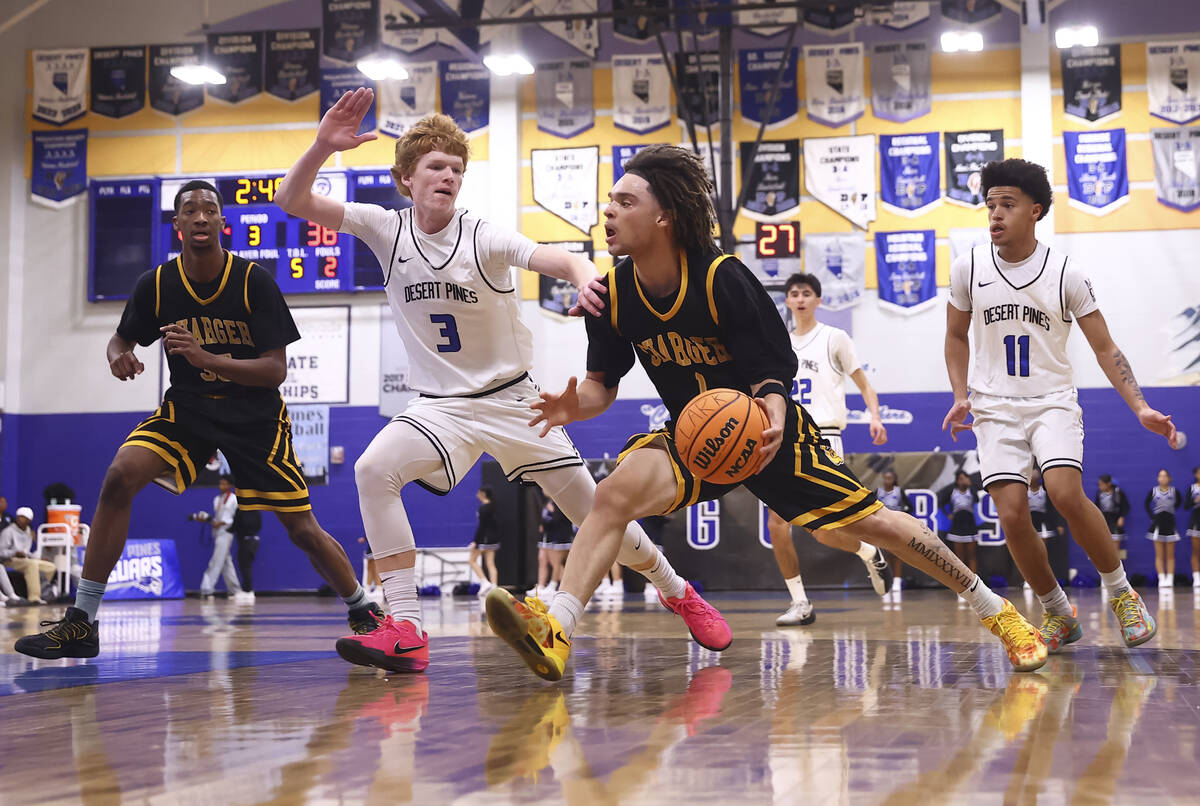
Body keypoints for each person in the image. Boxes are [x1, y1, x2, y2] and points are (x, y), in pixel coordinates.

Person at [487, 144, 1047, 681]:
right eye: (609, 200)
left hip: (765, 431)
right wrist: (573, 406)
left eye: (626, 201)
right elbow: (600, 387)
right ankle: (556, 629)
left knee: (878, 525)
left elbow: (773, 370)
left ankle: (997, 610)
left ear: (665, 217)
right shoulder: (612, 296)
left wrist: (775, 415)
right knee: (610, 496)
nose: (608, 210)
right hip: (696, 436)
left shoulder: (720, 275)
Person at [275, 91, 727, 674]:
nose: (449, 176)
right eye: (436, 166)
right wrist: (321, 147)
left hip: (516, 401)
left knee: (596, 513)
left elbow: (556, 258)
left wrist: (587, 275)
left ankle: (676, 590)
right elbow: (292, 199)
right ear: (405, 178)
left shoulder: (481, 235)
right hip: (440, 405)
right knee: (370, 469)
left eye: (457, 168)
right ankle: (407, 628)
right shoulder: (383, 229)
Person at [15, 180, 381, 660]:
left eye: (210, 209)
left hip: (255, 416)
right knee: (120, 477)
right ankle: (82, 622)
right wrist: (118, 356)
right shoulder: (157, 285)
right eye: (191, 210)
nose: (202, 217)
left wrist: (209, 358)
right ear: (178, 224)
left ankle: (363, 610)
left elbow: (275, 369)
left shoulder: (253, 282)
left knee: (300, 527)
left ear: (222, 222)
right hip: (188, 408)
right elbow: (121, 339)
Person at [942, 158, 1171, 654]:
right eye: (990, 205)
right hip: (994, 405)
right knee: (1010, 513)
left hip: (1051, 401)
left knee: (1065, 492)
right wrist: (961, 395)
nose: (995, 214)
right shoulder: (968, 267)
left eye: (1008, 204)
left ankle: (1122, 595)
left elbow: (1105, 348)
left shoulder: (1065, 272)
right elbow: (955, 336)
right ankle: (1057, 611)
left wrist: (1141, 407)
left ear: (1035, 211)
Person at [766, 272, 892, 628]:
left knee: (821, 528)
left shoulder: (835, 338)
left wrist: (875, 416)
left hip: (824, 436)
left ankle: (869, 551)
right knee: (777, 524)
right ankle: (800, 602)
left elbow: (864, 384)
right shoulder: (780, 344)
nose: (801, 298)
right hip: (787, 438)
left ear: (818, 300)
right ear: (787, 301)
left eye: (807, 293)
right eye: (794, 293)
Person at [200, 475, 243, 599]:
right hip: (217, 531)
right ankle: (234, 589)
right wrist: (207, 520)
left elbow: (234, 518)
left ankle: (206, 589)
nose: (221, 486)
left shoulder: (234, 499)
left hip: (227, 532)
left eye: (224, 484)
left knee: (216, 561)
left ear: (230, 485)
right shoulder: (217, 499)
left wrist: (222, 522)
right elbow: (217, 517)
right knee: (225, 562)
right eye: (220, 484)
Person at [0, 507, 55, 604]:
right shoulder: (8, 532)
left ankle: (43, 591)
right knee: (32, 564)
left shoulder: (29, 532)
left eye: (23, 517)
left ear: (29, 520)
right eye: (19, 517)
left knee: (50, 566)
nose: (20, 519)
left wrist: (38, 558)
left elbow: (26, 552)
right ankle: (34, 598)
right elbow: (1, 552)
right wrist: (14, 553)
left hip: (24, 560)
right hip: (9, 560)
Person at [876, 469, 911, 599]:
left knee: (897, 554)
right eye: (885, 478)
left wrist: (902, 515)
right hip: (882, 527)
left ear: (894, 480)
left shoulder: (899, 491)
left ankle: (897, 580)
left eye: (889, 478)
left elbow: (909, 507)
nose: (887, 481)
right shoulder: (878, 492)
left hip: (896, 526)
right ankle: (887, 580)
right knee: (885, 554)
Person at [1145, 469, 1183, 588]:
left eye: (1165, 476)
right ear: (1157, 478)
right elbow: (1146, 504)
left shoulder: (1174, 491)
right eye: (1160, 476)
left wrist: (1171, 511)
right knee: (1159, 555)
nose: (1163, 478)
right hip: (1157, 525)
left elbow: (1180, 502)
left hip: (1170, 523)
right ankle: (1162, 578)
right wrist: (1153, 516)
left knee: (1170, 555)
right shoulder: (1154, 491)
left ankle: (1170, 578)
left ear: (1169, 478)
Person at [940, 471, 979, 576]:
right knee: (959, 557)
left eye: (966, 478)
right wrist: (948, 514)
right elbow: (941, 502)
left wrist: (970, 485)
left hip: (970, 525)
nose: (965, 480)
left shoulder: (971, 491)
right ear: (957, 481)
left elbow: (977, 499)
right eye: (962, 478)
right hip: (957, 526)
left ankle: (974, 580)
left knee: (971, 556)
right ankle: (962, 579)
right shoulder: (953, 491)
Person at [532, 499, 573, 598]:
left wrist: (552, 513)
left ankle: (554, 585)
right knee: (558, 563)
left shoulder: (560, 503)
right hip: (559, 537)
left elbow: (557, 519)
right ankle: (561, 587)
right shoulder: (550, 503)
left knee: (558, 563)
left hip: (562, 537)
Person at [467, 486, 500, 597]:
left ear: (483, 494)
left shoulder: (484, 508)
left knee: (472, 560)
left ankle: (484, 582)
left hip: (484, 539)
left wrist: (476, 542)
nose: (477, 495)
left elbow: (482, 527)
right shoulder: (494, 506)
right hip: (494, 539)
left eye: (478, 493)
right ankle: (494, 587)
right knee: (490, 563)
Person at [1095, 474, 1130, 559]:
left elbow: (1126, 506)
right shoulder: (1099, 493)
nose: (1100, 486)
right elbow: (1096, 507)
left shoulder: (1118, 492)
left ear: (1108, 484)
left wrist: (1122, 517)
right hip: (1104, 520)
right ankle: (1106, 568)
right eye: (1099, 484)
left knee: (1115, 548)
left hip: (1115, 520)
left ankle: (1116, 567)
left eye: (1102, 484)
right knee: (1104, 546)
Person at [232, 505, 262, 604]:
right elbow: (259, 525)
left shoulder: (241, 510)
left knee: (245, 565)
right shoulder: (256, 510)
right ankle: (247, 589)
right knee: (246, 565)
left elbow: (236, 524)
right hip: (255, 540)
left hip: (246, 540)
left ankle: (248, 591)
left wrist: (229, 530)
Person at [1187, 467, 1200, 588]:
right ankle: (1196, 577)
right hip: (1196, 522)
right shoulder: (1192, 488)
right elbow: (1186, 505)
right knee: (1196, 551)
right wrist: (1195, 501)